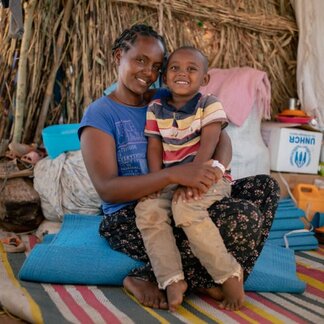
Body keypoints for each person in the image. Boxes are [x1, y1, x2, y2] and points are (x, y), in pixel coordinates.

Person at [79, 24, 280, 312]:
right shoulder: (100, 114)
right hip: (131, 215)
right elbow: (107, 190)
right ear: (117, 56)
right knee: (243, 220)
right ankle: (159, 277)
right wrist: (173, 175)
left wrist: (212, 169)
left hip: (183, 196)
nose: (147, 73)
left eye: (156, 66)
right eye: (139, 60)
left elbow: (221, 138)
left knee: (265, 188)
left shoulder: (165, 99)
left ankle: (189, 277)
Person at [135, 46, 243, 312]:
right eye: (175, 68)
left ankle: (228, 274)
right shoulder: (155, 108)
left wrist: (193, 179)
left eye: (191, 69)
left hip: (206, 176)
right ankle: (172, 279)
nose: (182, 73)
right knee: (146, 209)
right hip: (171, 181)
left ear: (204, 79)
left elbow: (210, 141)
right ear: (165, 76)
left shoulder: (209, 104)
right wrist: (155, 182)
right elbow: (154, 147)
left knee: (185, 207)